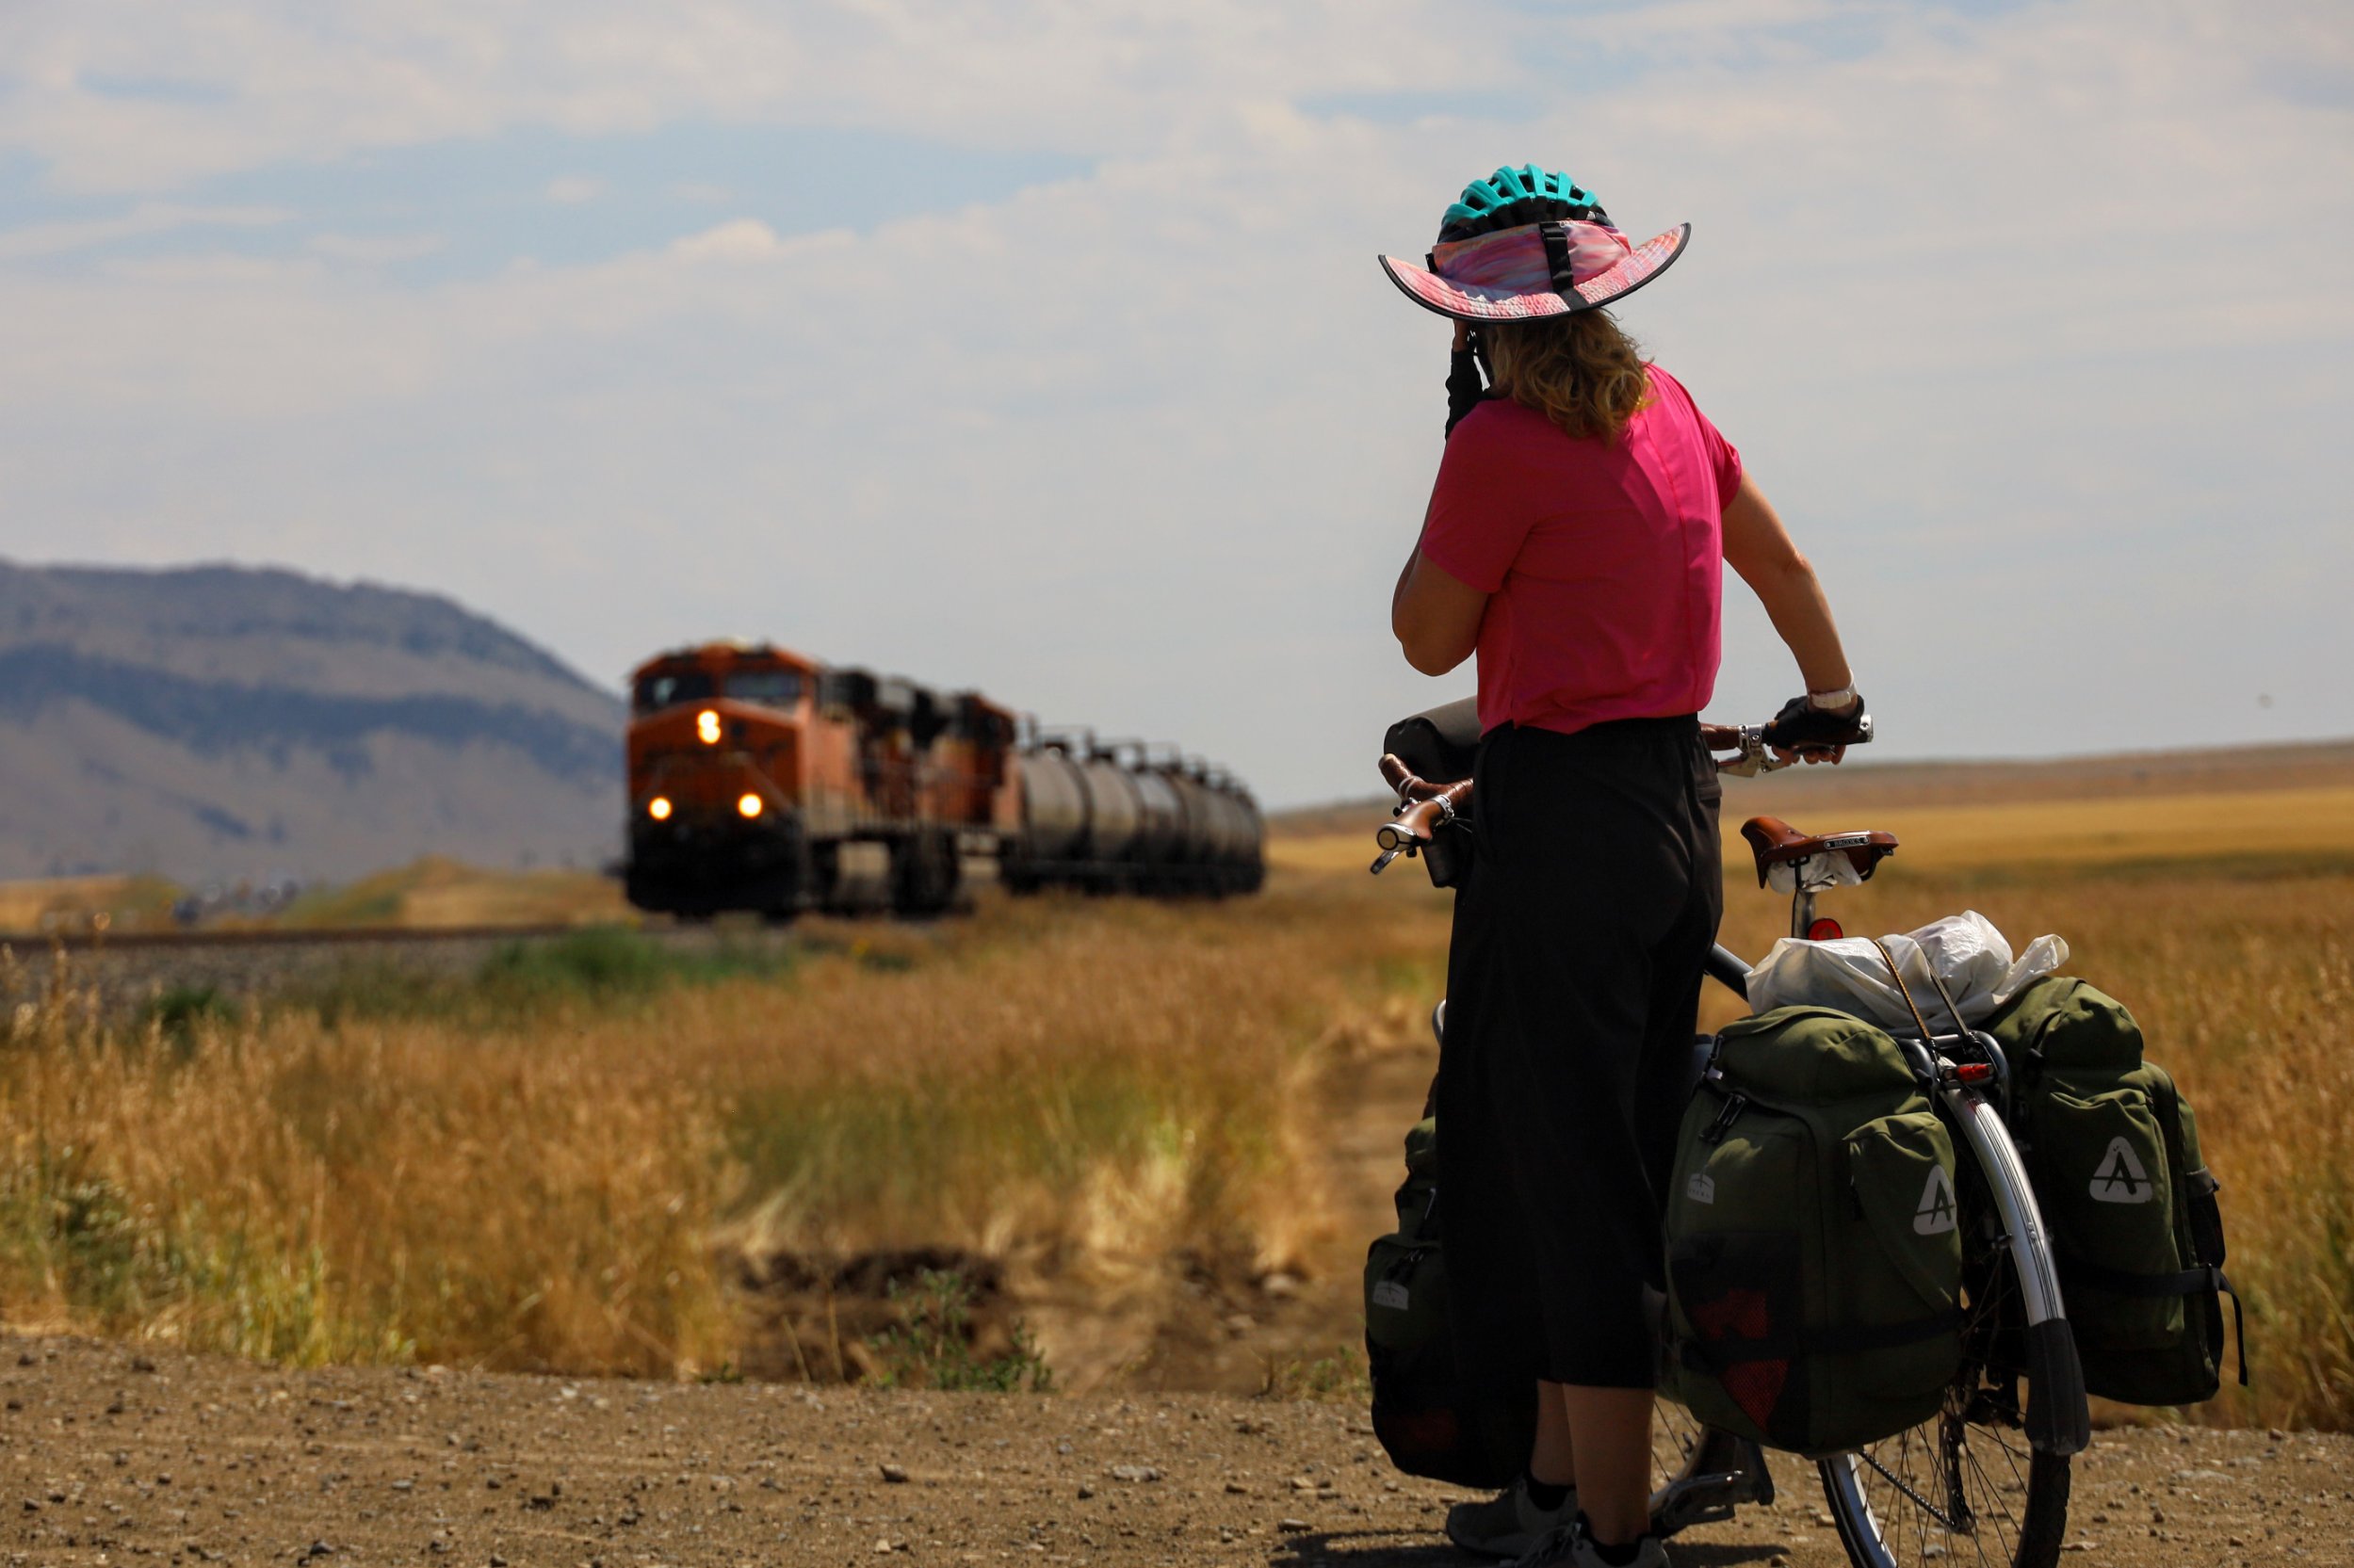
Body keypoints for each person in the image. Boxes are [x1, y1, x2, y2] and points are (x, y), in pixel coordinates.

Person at [1380, 166, 1871, 1568]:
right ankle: (1547, 1487)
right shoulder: (1676, 408)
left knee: (1565, 1178)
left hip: (1563, 829)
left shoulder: (1502, 444)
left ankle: (1609, 1530)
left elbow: (1425, 635)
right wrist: (1828, 696)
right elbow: (1777, 566)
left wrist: (1464, 455)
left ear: (1482, 329)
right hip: (1673, 816)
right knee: (1614, 1155)